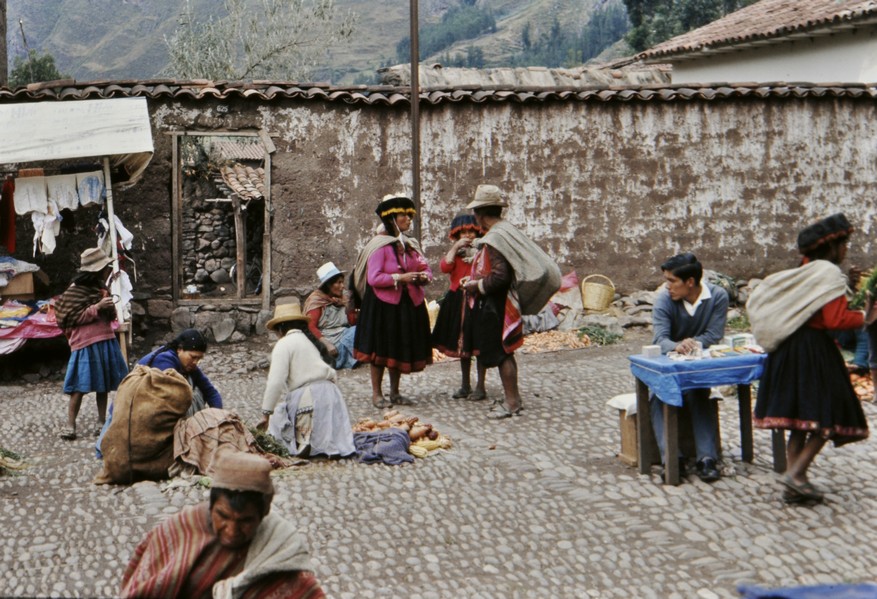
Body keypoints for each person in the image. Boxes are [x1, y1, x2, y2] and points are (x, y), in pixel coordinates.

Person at [749, 213, 872, 503]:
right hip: (813, 352)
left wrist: (847, 289)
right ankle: (796, 474)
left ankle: (794, 485)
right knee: (827, 415)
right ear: (832, 246)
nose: (846, 250)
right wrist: (865, 316)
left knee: (799, 420)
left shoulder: (805, 269)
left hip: (788, 350)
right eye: (844, 245)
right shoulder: (827, 273)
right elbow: (834, 319)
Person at [120, 451, 325, 598]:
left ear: (263, 513)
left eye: (246, 521)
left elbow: (303, 590)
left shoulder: (278, 544)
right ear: (211, 507)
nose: (232, 530)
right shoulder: (182, 530)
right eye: (223, 516)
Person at [650, 252, 728, 482]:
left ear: (690, 282)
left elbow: (714, 334)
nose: (667, 286)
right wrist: (677, 346)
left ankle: (707, 459)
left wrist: (691, 345)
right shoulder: (664, 300)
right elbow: (660, 339)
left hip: (698, 367)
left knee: (699, 391)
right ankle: (672, 459)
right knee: (657, 395)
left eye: (672, 281)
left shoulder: (717, 296)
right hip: (668, 367)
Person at [352, 194, 433, 409]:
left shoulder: (410, 245)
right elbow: (374, 278)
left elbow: (425, 267)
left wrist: (424, 276)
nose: (408, 219)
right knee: (379, 351)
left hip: (406, 305)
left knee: (397, 348)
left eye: (409, 215)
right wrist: (400, 278)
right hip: (383, 305)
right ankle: (377, 394)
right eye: (403, 215)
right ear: (391, 219)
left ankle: (395, 393)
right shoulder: (379, 247)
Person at [95, 328, 223, 459]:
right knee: (111, 453)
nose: (195, 362)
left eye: (199, 359)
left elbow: (210, 392)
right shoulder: (164, 361)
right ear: (180, 349)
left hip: (147, 410)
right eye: (193, 357)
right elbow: (171, 400)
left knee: (197, 389)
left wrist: (218, 419)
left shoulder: (188, 364)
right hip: (128, 412)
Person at [460, 185, 526, 420]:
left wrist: (476, 285)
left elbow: (500, 276)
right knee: (506, 351)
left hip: (496, 304)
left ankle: (511, 402)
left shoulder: (496, 238)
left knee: (501, 354)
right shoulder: (504, 231)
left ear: (480, 213)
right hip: (502, 301)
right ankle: (514, 398)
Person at [258, 300, 355, 458]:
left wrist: (266, 413)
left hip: (308, 396)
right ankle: (324, 443)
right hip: (331, 394)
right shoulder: (308, 341)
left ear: (280, 328)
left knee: (278, 416)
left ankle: (303, 441)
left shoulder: (284, 344)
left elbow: (275, 382)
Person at [54, 247, 128, 441]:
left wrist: (108, 307)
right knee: (79, 386)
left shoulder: (101, 289)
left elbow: (110, 317)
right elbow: (71, 318)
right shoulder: (74, 292)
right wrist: (97, 307)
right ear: (96, 271)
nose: (107, 271)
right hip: (85, 343)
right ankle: (70, 425)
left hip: (105, 340)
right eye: (105, 268)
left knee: (103, 385)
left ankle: (101, 422)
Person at [432, 213, 487, 400]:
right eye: (464, 232)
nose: (468, 235)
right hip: (458, 301)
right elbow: (445, 267)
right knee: (463, 347)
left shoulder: (482, 252)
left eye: (472, 231)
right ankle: (465, 385)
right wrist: (455, 248)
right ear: (457, 235)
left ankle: (480, 387)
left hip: (477, 299)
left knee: (478, 345)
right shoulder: (456, 255)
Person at [304, 261, 358, 369]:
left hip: (343, 335)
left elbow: (352, 322)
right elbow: (310, 326)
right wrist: (327, 344)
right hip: (326, 341)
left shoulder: (343, 299)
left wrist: (349, 307)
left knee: (361, 329)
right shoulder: (317, 301)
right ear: (329, 285)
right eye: (338, 283)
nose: (342, 286)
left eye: (342, 282)